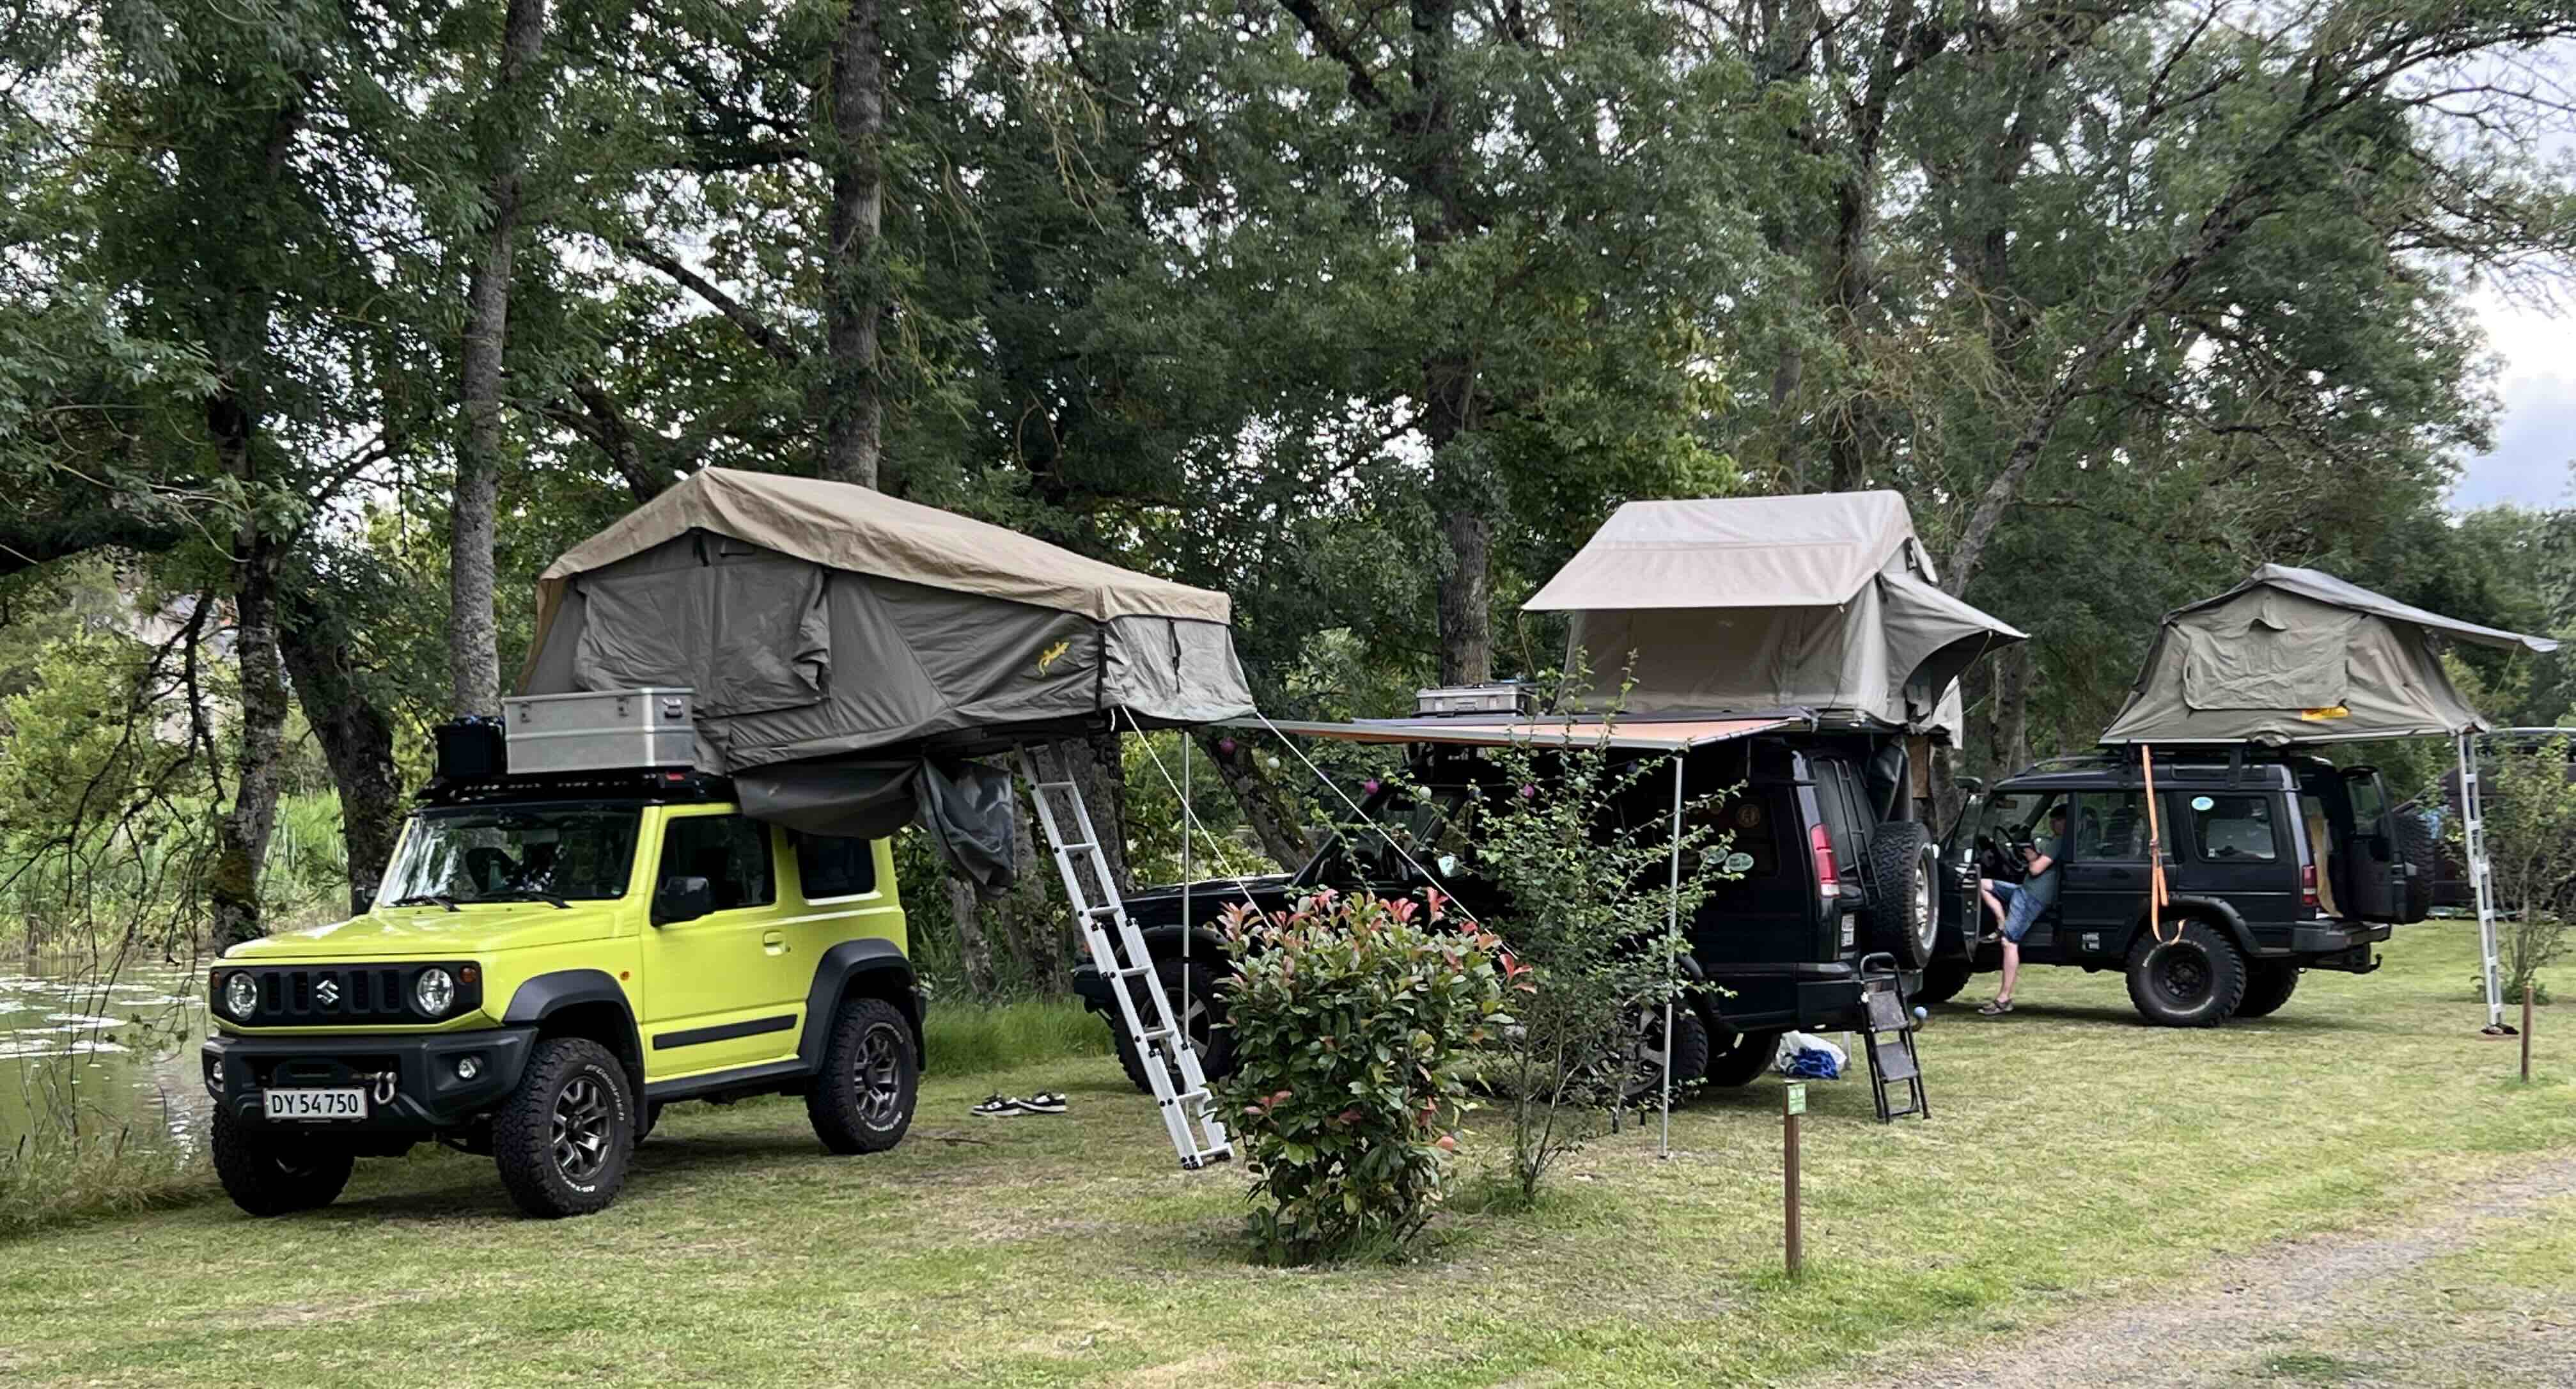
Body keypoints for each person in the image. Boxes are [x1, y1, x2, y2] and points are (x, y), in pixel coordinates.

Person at [1977, 803, 2065, 1016]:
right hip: (2023, 890)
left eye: (2055, 820)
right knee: (1982, 884)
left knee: (2010, 942)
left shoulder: (2060, 842)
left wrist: (2031, 857)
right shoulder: (2057, 841)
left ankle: (2004, 998)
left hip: (2033, 896)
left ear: (2064, 821)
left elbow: (2036, 870)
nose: (2053, 825)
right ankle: (2001, 922)